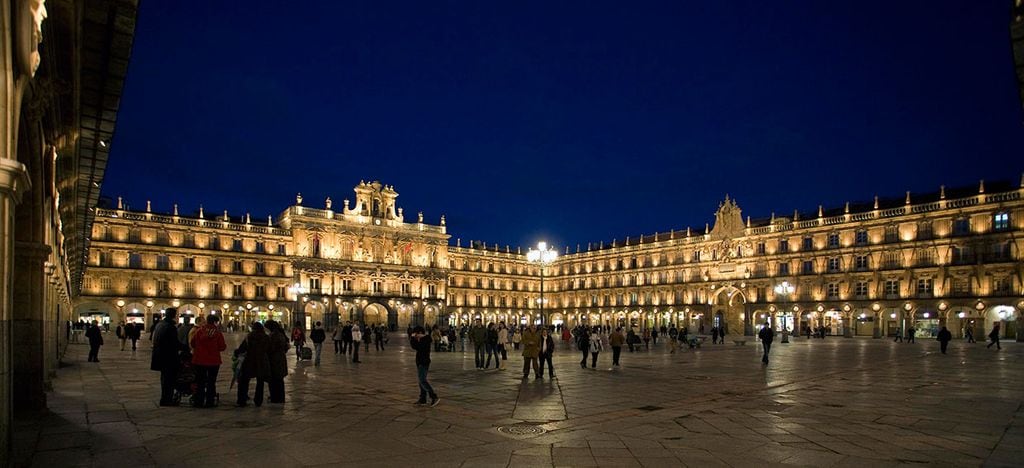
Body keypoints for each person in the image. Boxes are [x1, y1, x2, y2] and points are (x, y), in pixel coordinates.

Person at [190, 314, 226, 408]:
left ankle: (198, 401)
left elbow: (193, 343)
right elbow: (222, 347)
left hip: (199, 360)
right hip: (213, 361)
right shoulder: (217, 333)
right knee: (211, 381)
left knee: (200, 381)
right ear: (215, 322)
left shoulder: (199, 331)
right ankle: (209, 402)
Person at [151, 308, 184, 406]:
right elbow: (174, 343)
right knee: (169, 380)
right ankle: (167, 400)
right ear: (174, 315)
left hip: (160, 356)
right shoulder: (170, 327)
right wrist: (187, 348)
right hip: (168, 357)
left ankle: (164, 399)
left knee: (165, 379)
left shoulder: (160, 324)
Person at [235, 321, 271, 407]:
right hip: (261, 361)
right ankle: (258, 401)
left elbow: (242, 349)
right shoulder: (266, 337)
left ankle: (241, 400)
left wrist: (237, 353)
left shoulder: (249, 337)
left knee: (244, 381)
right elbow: (269, 349)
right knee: (260, 382)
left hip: (249, 360)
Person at [409, 326, 439, 406]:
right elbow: (414, 346)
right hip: (420, 362)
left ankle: (433, 396)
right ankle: (423, 399)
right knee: (421, 381)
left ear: (419, 333)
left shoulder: (426, 339)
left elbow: (418, 347)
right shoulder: (421, 339)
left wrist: (414, 339)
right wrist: (413, 338)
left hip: (424, 362)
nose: (415, 336)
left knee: (422, 380)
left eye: (416, 334)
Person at [265, 320, 290, 403]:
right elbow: (286, 347)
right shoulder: (281, 334)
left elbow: (270, 348)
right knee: (279, 380)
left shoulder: (273, 335)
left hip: (274, 360)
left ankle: (275, 398)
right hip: (281, 358)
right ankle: (280, 397)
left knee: (273, 379)